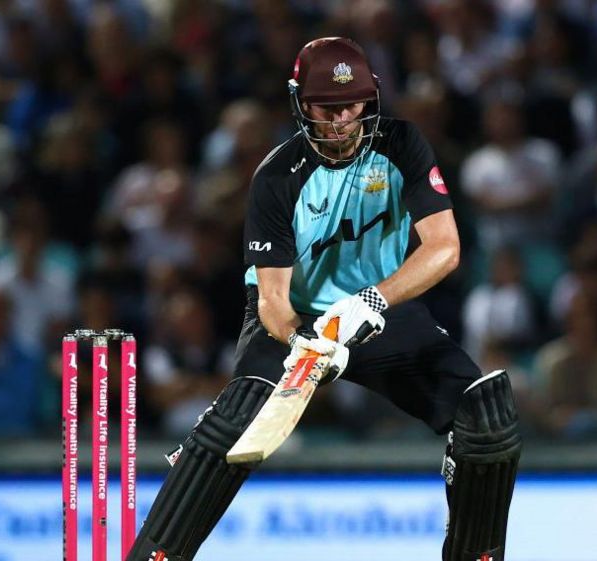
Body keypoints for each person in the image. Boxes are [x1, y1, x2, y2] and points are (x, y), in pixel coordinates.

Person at [127, 37, 522, 561]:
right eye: (326, 107)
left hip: (382, 311)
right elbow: (271, 300)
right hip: (297, 318)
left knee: (486, 416)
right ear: (300, 103)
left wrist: (372, 302)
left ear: (371, 99)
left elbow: (445, 249)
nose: (340, 121)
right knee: (233, 426)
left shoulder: (402, 146)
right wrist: (307, 342)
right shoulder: (276, 176)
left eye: (351, 105)